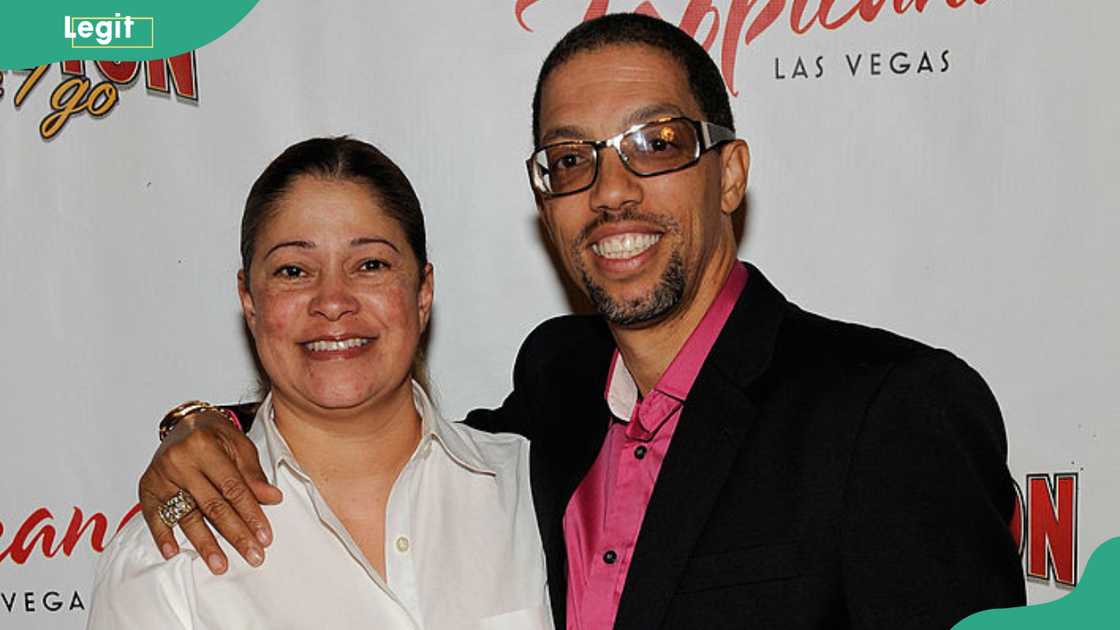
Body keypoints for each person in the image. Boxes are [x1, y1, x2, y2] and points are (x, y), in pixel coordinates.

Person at [134, 14, 1026, 630]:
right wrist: (205, 429)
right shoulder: (552, 397)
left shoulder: (891, 410)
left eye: (656, 144)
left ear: (729, 174)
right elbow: (359, 420)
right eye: (570, 159)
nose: (610, 190)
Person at [88, 137, 552, 630]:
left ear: (423, 291)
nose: (332, 301)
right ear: (250, 302)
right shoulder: (167, 561)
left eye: (370, 265)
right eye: (293, 271)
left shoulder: (536, 490)